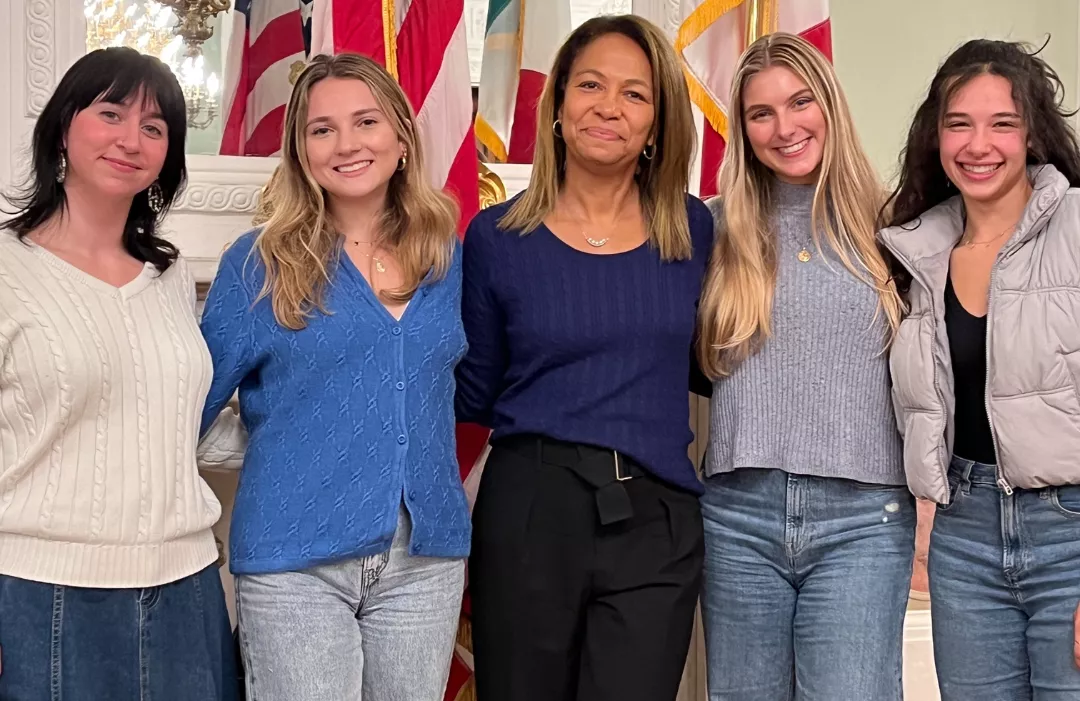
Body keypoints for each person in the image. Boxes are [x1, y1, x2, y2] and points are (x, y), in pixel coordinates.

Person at [197, 53, 469, 701]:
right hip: (296, 563)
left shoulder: (449, 257)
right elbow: (188, 404)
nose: (346, 144)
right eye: (322, 129)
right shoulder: (259, 263)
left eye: (366, 121)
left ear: (401, 137)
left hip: (423, 563)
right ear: (300, 150)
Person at [456, 15, 712, 701]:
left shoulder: (693, 230)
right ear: (559, 106)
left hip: (657, 518)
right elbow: (474, 389)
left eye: (636, 93)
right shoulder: (497, 237)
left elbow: (712, 363)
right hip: (531, 509)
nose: (609, 106)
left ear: (657, 122)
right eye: (591, 84)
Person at [0, 47, 239, 700]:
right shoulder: (7, 270)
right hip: (40, 594)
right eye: (111, 113)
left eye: (155, 127)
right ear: (62, 128)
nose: (131, 140)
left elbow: (169, 424)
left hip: (187, 587)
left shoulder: (170, 277)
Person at [694, 32, 914, 700]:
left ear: (830, 105)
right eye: (761, 113)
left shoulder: (897, 229)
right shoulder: (711, 229)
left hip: (863, 518)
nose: (784, 127)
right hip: (737, 516)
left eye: (799, 102)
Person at [880, 38, 1080, 700]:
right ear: (935, 137)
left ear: (1033, 135)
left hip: (1069, 531)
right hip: (963, 537)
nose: (978, 144)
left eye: (1002, 123)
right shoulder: (913, 253)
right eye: (959, 123)